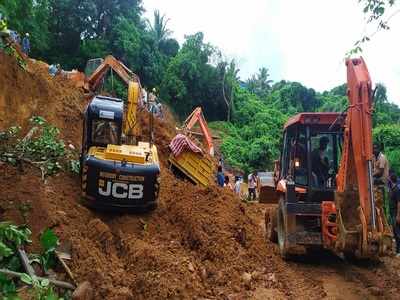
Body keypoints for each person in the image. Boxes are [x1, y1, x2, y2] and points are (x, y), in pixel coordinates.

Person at [373, 143, 390, 220]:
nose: (374, 150)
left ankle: (383, 217)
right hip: (376, 180)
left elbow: (380, 172)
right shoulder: (374, 157)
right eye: (373, 149)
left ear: (379, 149)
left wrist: (371, 175)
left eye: (376, 149)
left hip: (382, 180)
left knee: (381, 203)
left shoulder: (382, 158)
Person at [389, 174, 400, 257]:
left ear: (391, 180)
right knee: (395, 233)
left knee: (397, 233)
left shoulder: (396, 190)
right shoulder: (392, 189)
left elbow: (399, 203)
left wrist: (398, 216)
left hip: (396, 213)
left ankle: (398, 251)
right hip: (392, 213)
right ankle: (397, 250)